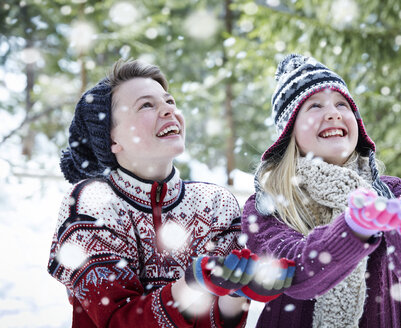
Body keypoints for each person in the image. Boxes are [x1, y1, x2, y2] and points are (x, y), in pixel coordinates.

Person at [47, 59, 294, 328]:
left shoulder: (214, 204)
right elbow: (117, 321)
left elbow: (217, 322)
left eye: (170, 101)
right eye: (146, 105)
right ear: (111, 140)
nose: (168, 110)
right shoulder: (91, 204)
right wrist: (192, 283)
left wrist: (236, 292)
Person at [240, 54, 401, 327]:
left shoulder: (389, 192)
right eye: (315, 106)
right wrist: (354, 228)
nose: (333, 113)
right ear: (289, 131)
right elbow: (292, 275)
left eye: (342, 104)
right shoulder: (268, 203)